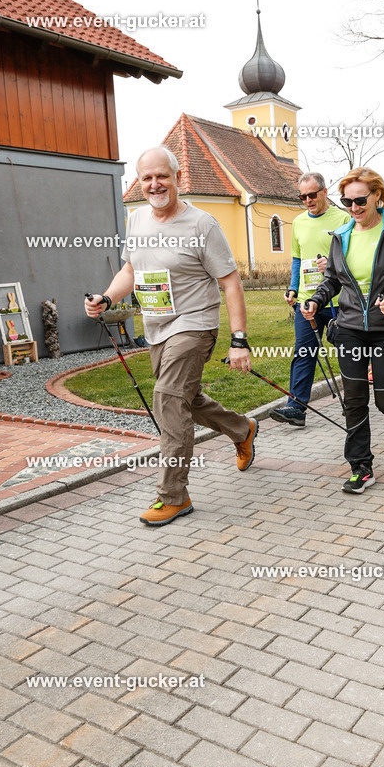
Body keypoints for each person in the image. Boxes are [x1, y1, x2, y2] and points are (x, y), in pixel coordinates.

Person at [85, 146, 257, 527]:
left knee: (167, 399)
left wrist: (240, 339)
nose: (154, 183)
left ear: (178, 178)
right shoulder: (138, 219)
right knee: (186, 399)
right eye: (147, 177)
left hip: (194, 325)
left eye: (162, 175)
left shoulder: (202, 225)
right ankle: (242, 428)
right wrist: (107, 297)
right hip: (157, 327)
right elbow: (131, 268)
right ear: (139, 182)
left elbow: (230, 282)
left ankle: (173, 496)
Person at [301, 166, 384, 493]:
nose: (353, 207)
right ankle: (361, 465)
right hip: (351, 325)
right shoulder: (341, 236)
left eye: (359, 200)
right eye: (347, 201)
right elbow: (332, 281)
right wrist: (314, 300)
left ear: (377, 196)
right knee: (354, 399)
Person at [270, 173, 344, 427]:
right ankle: (296, 407)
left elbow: (355, 257)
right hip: (307, 300)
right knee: (304, 351)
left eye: (312, 195)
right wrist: (292, 288)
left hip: (339, 299)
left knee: (349, 351)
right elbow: (297, 259)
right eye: (303, 196)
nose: (308, 200)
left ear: (325, 192)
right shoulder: (299, 222)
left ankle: (357, 402)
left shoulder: (343, 218)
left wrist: (333, 264)